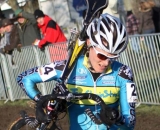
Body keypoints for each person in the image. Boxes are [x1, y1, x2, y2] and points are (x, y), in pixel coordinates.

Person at [17, 13, 137, 130]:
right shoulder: (67, 68)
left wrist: (117, 117)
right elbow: (24, 78)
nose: (106, 63)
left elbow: (130, 123)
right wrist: (41, 102)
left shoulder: (123, 73)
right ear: (90, 43)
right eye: (102, 55)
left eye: (113, 58)